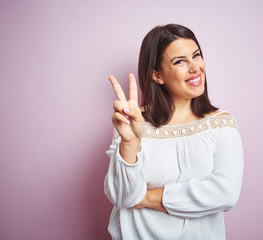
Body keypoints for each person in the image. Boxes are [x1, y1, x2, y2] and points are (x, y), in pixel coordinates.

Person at [104, 24, 244, 240]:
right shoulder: (133, 122)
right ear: (157, 76)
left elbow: (225, 194)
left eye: (196, 56)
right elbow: (123, 196)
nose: (195, 68)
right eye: (180, 61)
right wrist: (131, 142)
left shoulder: (221, 125)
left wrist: (144, 198)